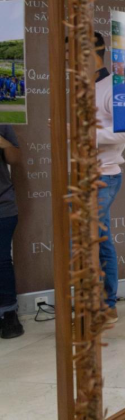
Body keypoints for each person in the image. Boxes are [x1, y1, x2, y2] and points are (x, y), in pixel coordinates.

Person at [91, 31, 125, 324]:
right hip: (83, 174)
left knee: (90, 238)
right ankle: (104, 305)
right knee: (98, 239)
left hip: (104, 176)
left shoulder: (115, 86)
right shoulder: (83, 86)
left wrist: (82, 133)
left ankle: (104, 305)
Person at [0, 126, 23, 339]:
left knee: (2, 260)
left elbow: (14, 159)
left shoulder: (3, 121)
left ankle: (8, 312)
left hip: (2, 205)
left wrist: (3, 142)